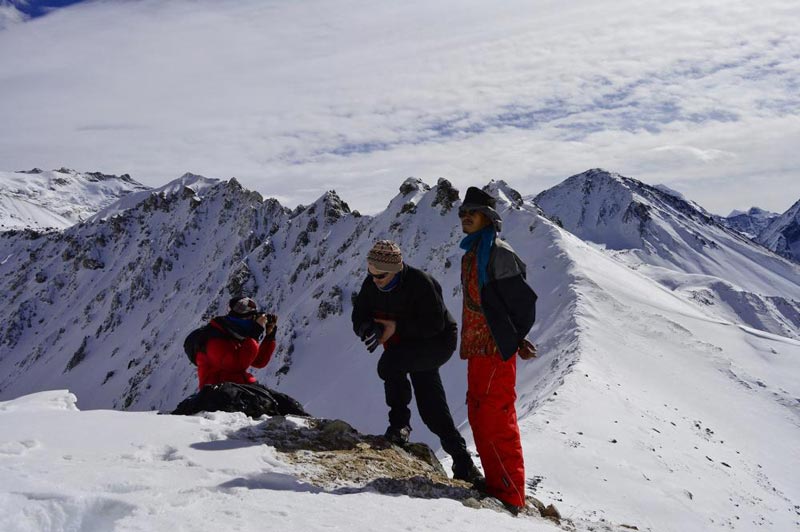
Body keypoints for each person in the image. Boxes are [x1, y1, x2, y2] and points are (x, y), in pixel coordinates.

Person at [352, 240, 484, 485]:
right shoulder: (373, 284)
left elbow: (434, 324)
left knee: (391, 365)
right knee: (431, 406)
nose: (374, 280)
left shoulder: (421, 283)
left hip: (436, 342)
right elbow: (359, 313)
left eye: (380, 275)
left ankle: (400, 425)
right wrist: (368, 327)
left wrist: (395, 327)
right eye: (370, 274)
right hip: (404, 344)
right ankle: (463, 461)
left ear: (396, 269)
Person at [457, 186, 538, 513]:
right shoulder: (474, 252)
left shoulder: (499, 253)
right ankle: (496, 484)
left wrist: (515, 338)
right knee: (479, 416)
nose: (465, 218)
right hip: (477, 349)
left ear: (487, 218)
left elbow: (523, 303)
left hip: (494, 350)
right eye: (462, 213)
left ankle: (510, 494)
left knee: (496, 419)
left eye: (471, 213)